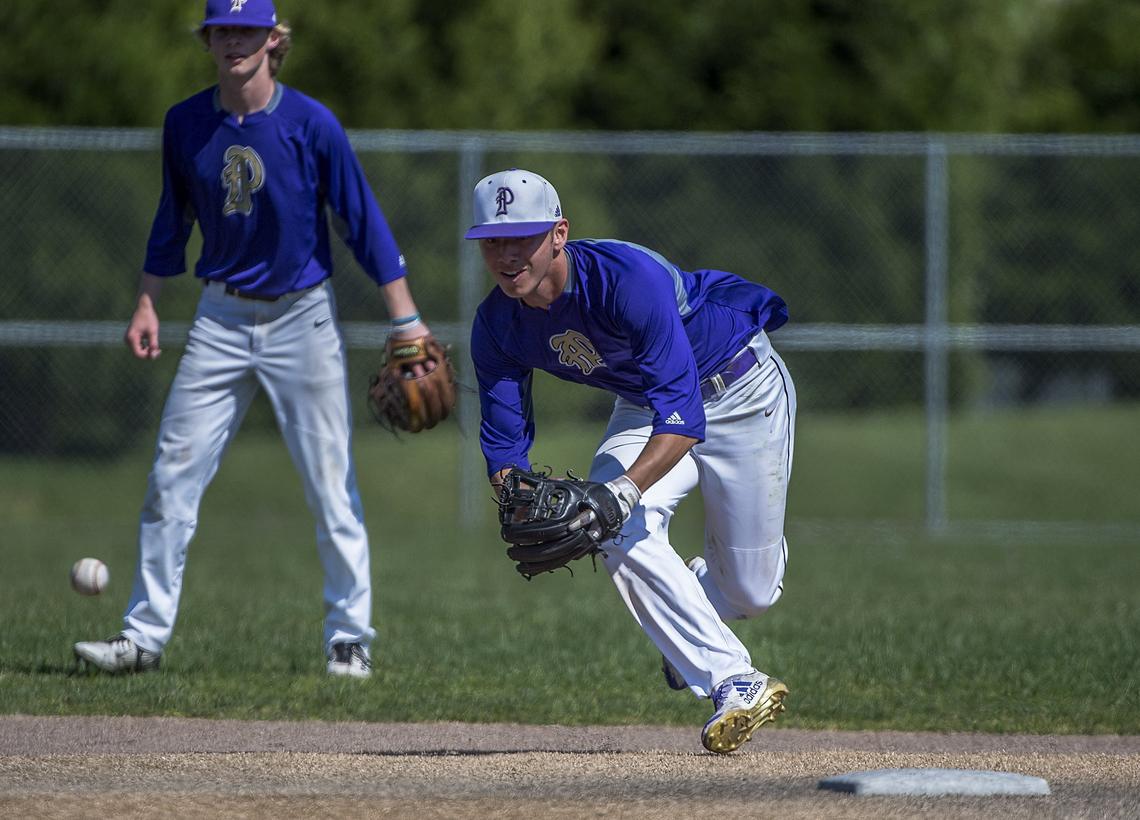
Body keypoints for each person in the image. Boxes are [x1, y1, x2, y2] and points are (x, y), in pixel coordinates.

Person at [74, 0, 433, 678]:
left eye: (247, 29)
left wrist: (405, 315)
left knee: (331, 484)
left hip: (304, 317)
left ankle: (349, 637)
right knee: (170, 477)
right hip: (219, 320)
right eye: (222, 30)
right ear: (208, 41)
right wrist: (148, 302)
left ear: (274, 40)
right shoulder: (186, 122)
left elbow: (360, 219)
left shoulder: (310, 123)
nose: (234, 40)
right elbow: (170, 220)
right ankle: (143, 637)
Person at [465, 169, 797, 753]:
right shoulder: (497, 325)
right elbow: (505, 440)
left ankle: (693, 599)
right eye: (494, 240)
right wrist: (514, 493)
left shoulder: (625, 280)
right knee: (606, 525)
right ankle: (731, 679)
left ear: (559, 234)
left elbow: (683, 418)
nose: (507, 254)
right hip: (646, 403)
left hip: (741, 390)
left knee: (751, 593)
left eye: (524, 237)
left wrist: (620, 493)